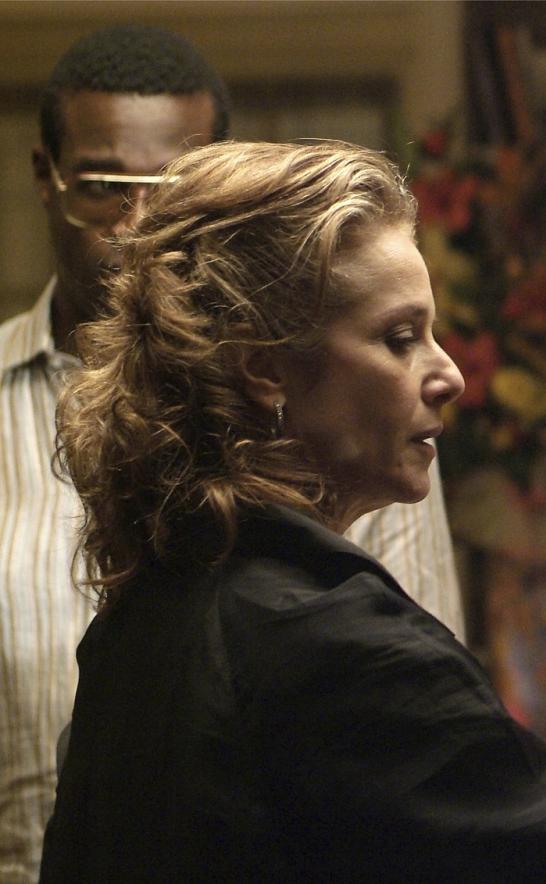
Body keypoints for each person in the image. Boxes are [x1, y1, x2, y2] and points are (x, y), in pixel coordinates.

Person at [39, 140, 546, 882]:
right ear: (265, 368)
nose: (449, 375)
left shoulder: (141, 614)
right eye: (399, 339)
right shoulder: (336, 647)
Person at [0, 25, 463, 879]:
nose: (139, 224)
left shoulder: (359, 436)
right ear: (47, 176)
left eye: (173, 190)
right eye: (106, 187)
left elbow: (426, 739)